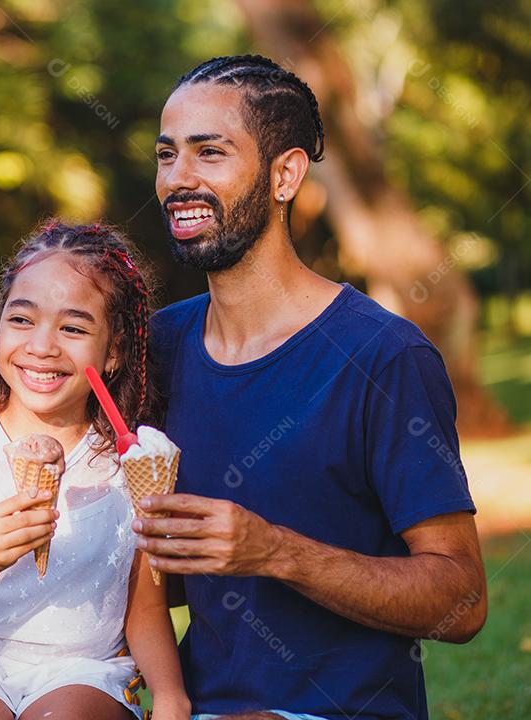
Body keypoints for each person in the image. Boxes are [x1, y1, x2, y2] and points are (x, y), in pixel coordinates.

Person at [134, 55, 487, 720]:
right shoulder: (157, 348)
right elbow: (159, 578)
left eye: (210, 152)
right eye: (167, 154)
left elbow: (463, 602)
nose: (178, 178)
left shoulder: (384, 355)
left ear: (285, 175)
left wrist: (275, 552)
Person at [0, 221, 191, 720]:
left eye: (73, 328)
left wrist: (170, 695)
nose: (42, 346)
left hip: (83, 667)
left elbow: (144, 606)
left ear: (114, 351)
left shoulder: (134, 466)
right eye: (22, 319)